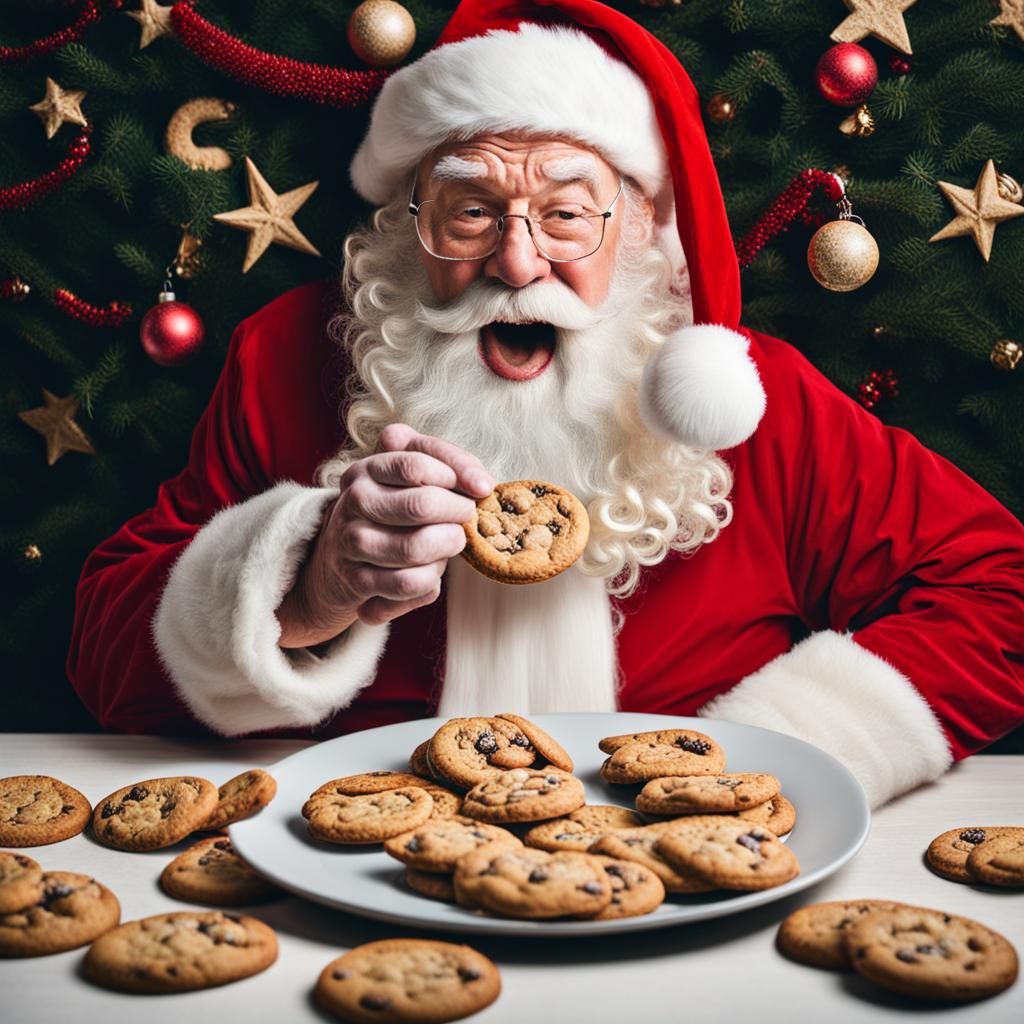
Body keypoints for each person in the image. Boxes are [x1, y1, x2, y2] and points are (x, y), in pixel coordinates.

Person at [67, 0, 1024, 809]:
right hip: (358, 870)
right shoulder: (289, 356)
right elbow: (104, 659)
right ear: (410, 223)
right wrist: (303, 589)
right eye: (471, 210)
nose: (518, 263)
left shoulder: (749, 397)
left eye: (567, 212)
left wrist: (773, 755)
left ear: (643, 231)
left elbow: (1002, 594)